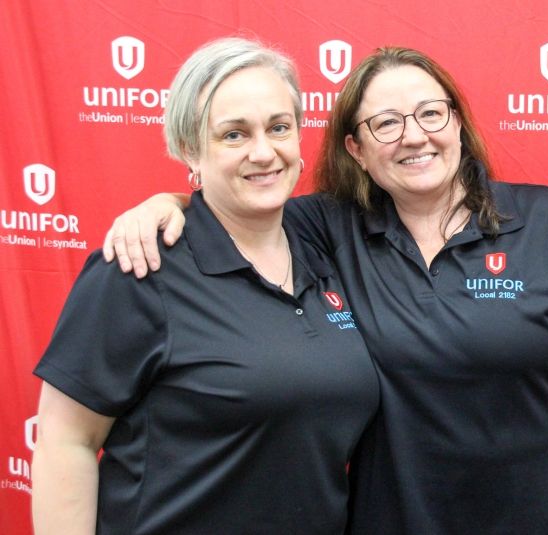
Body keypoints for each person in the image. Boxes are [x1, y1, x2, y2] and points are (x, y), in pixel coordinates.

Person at [104, 46, 548, 535]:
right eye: (385, 124)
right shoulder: (323, 228)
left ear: (456, 122)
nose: (414, 135)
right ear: (357, 149)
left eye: (430, 113)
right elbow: (236, 206)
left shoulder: (545, 220)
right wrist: (163, 205)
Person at [31, 37, 378, 535]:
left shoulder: (325, 245)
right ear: (191, 148)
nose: (264, 152)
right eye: (234, 135)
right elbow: (67, 443)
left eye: (279, 128)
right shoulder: (141, 266)